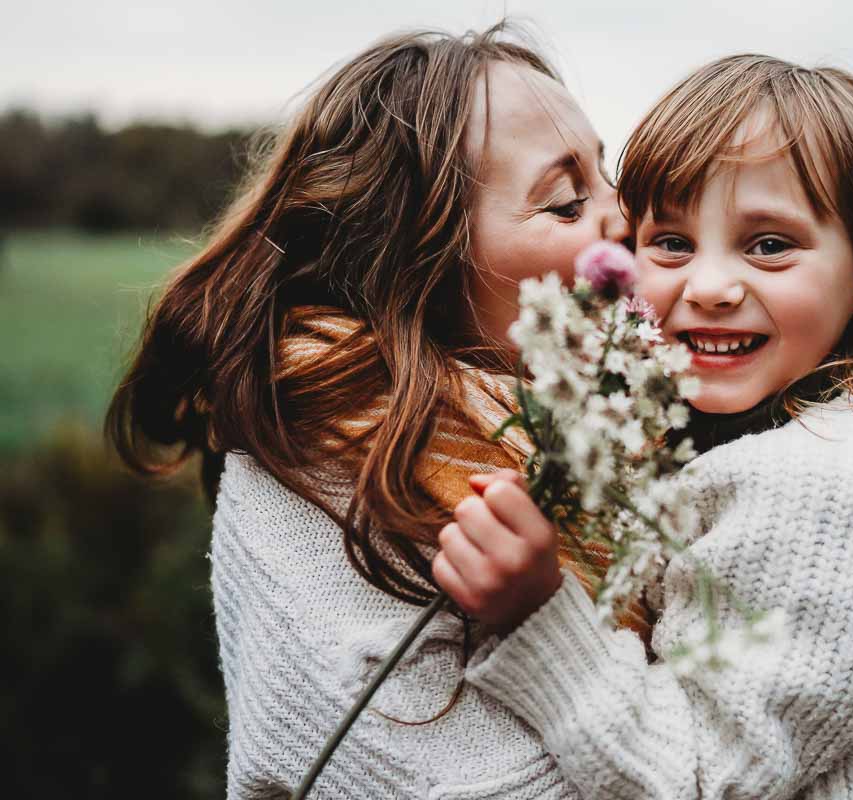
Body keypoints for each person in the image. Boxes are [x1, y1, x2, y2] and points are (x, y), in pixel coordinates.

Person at [106, 24, 633, 799]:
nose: (625, 218)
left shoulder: (619, 436)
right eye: (565, 200)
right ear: (417, 262)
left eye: (609, 174)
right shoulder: (300, 472)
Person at [440, 55, 853, 799]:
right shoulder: (756, 428)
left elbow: (700, 780)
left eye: (769, 245)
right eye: (672, 243)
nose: (711, 288)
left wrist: (539, 615)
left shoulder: (835, 489)